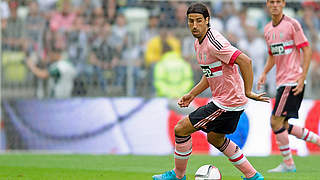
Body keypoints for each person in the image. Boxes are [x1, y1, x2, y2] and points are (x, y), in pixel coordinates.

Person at [152, 3, 269, 180]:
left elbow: (245, 61)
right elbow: (210, 74)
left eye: (199, 20)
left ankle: (178, 175)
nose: (195, 25)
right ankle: (253, 176)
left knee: (181, 129)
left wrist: (248, 91)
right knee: (215, 138)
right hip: (229, 101)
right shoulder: (199, 44)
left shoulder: (215, 42)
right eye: (191, 21)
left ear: (207, 21)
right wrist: (192, 94)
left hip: (227, 102)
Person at [257, 0, 320, 173]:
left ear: (283, 4)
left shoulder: (292, 24)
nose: (275, 5)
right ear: (268, 4)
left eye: (278, 1)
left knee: (275, 121)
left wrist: (302, 77)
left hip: (292, 81)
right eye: (272, 2)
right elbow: (272, 54)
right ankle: (317, 142)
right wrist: (264, 72)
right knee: (283, 125)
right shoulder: (268, 29)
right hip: (282, 82)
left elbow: (306, 49)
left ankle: (289, 164)